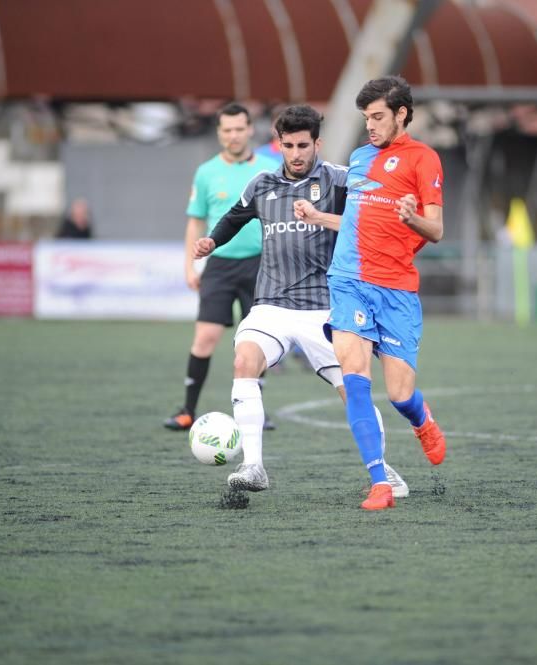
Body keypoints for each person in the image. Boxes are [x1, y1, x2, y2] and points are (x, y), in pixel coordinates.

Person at [192, 104, 409, 499]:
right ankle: (253, 466)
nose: (296, 153)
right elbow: (234, 217)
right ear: (279, 145)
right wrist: (211, 241)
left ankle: (384, 470)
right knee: (244, 360)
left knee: (353, 390)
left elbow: (376, 203)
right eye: (288, 145)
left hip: (325, 308)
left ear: (317, 144)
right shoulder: (261, 184)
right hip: (271, 305)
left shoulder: (338, 180)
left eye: (303, 145)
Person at [313, 75, 446, 511]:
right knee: (354, 379)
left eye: (378, 117)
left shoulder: (424, 160)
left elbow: (437, 229)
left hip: (396, 289)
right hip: (348, 281)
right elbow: (355, 220)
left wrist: (413, 220)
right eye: (366, 118)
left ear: (401, 114)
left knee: (400, 395)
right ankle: (379, 481)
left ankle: (421, 419)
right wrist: (320, 217)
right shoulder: (359, 158)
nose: (369, 125)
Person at [163, 103, 280, 432]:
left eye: (239, 129)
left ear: (250, 130)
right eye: (227, 130)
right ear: (219, 133)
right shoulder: (206, 172)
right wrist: (190, 266)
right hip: (219, 266)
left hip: (262, 265)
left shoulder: (271, 168)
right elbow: (195, 223)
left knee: (257, 342)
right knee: (206, 338)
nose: (233, 135)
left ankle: (257, 411)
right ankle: (187, 409)